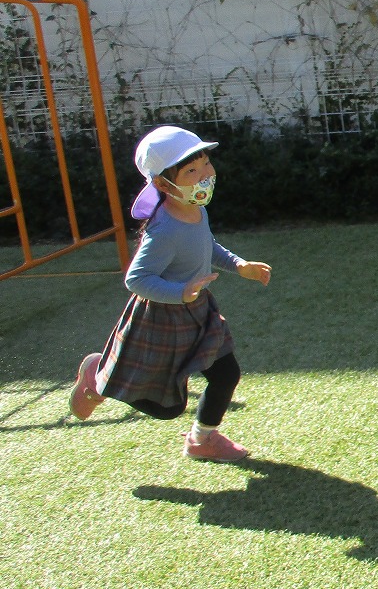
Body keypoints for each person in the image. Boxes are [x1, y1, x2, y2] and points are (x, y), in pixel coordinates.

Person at [68, 125, 272, 462]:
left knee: (226, 374)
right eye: (191, 171)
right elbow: (136, 279)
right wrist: (181, 292)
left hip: (198, 310)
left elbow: (206, 244)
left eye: (205, 163)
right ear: (164, 184)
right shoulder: (163, 230)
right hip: (161, 320)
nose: (204, 174)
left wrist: (238, 265)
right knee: (168, 408)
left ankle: (201, 440)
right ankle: (98, 376)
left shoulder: (196, 208)